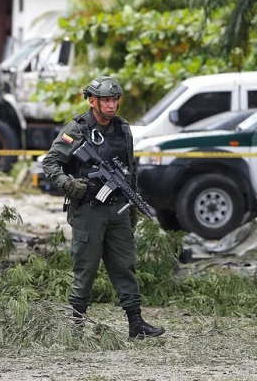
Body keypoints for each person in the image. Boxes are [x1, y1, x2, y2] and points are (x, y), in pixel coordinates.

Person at [42, 76, 165, 339]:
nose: (111, 105)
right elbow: (51, 163)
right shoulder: (77, 129)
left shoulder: (123, 130)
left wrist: (131, 208)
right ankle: (75, 329)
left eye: (114, 100)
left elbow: (130, 171)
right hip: (89, 211)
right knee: (85, 268)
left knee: (125, 266)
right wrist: (69, 184)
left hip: (118, 209)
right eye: (106, 100)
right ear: (92, 101)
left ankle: (136, 324)